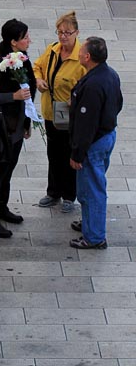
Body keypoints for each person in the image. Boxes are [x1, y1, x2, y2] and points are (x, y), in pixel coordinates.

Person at [0, 19, 36, 238]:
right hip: (1, 127)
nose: (29, 40)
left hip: (16, 126)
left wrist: (27, 122)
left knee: (9, 169)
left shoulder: (23, 60)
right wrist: (11, 96)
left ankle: (2, 207)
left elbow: (29, 92)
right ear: (13, 42)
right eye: (24, 37)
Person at [69, 37, 123, 249]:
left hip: (93, 143)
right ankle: (89, 223)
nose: (79, 52)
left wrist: (77, 154)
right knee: (86, 187)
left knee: (93, 189)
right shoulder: (110, 74)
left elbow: (86, 125)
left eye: (81, 50)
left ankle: (94, 237)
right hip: (106, 136)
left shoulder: (92, 85)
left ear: (88, 57)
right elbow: (118, 103)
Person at [33, 11, 85, 212]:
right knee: (53, 153)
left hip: (69, 115)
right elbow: (37, 66)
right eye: (60, 32)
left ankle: (69, 196)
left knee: (69, 155)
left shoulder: (81, 59)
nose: (63, 36)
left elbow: (88, 85)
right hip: (50, 112)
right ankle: (53, 192)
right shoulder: (52, 50)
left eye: (67, 33)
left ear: (76, 33)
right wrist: (38, 79)